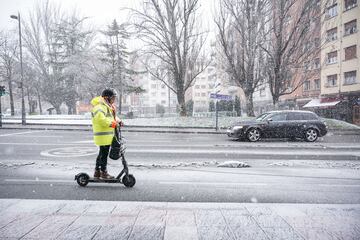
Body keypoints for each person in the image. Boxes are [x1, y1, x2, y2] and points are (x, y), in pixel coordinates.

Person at [90, 88, 122, 179]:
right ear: (107, 98)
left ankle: (97, 171)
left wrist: (119, 121)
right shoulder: (99, 107)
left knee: (102, 154)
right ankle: (103, 172)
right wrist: (112, 124)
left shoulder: (107, 106)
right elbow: (101, 119)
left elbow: (112, 117)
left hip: (106, 135)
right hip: (102, 135)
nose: (114, 100)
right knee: (103, 154)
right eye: (113, 98)